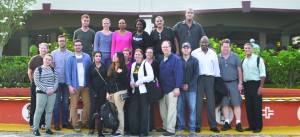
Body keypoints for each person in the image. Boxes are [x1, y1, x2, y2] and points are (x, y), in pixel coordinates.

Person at [191, 36, 220, 133]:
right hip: (199, 78)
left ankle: (212, 125)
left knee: (211, 102)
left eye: (205, 42)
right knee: (198, 102)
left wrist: (216, 80)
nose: (203, 44)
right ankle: (198, 125)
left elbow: (216, 68)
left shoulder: (213, 53)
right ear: (200, 43)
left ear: (208, 43)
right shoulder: (194, 53)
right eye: (202, 42)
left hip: (210, 78)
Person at [66, 39, 92, 132]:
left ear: (82, 46)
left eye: (79, 45)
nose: (78, 46)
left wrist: (89, 84)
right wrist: (69, 85)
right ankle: (76, 124)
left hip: (85, 86)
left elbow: (90, 71)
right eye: (76, 45)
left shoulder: (87, 57)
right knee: (74, 106)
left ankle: (84, 123)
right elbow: (67, 73)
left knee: (88, 104)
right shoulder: (70, 58)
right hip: (74, 86)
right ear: (74, 46)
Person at [218, 39, 244, 132]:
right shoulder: (217, 57)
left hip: (234, 83)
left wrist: (240, 83)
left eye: (227, 47)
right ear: (221, 47)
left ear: (230, 47)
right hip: (222, 84)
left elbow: (239, 70)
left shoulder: (235, 57)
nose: (226, 48)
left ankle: (238, 123)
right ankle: (227, 123)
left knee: (236, 103)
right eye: (224, 47)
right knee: (224, 104)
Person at [158, 40, 183, 136]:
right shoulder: (162, 59)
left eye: (166, 47)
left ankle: (171, 129)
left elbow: (179, 74)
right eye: (163, 47)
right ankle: (165, 126)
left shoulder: (176, 59)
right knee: (163, 110)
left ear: (170, 47)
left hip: (172, 88)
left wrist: (177, 87)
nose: (165, 48)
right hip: (163, 89)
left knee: (171, 110)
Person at [129, 49, 154, 136]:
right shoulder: (133, 64)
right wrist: (131, 83)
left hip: (143, 91)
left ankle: (143, 131)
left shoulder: (146, 64)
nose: (137, 56)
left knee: (144, 112)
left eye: (139, 54)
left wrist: (138, 82)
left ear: (142, 55)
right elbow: (131, 76)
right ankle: (134, 130)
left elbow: (151, 77)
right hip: (134, 91)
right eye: (135, 54)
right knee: (133, 111)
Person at [32, 54, 59, 136]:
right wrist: (46, 90)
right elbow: (37, 82)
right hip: (41, 93)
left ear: (51, 61)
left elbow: (56, 81)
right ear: (43, 60)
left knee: (49, 111)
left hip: (52, 93)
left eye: (49, 60)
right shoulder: (38, 69)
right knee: (39, 110)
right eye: (46, 59)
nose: (47, 61)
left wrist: (53, 89)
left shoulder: (53, 70)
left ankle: (48, 128)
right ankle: (35, 129)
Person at [242, 43, 266, 133]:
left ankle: (258, 127)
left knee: (257, 107)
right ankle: (251, 125)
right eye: (245, 48)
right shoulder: (243, 60)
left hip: (256, 85)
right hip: (247, 85)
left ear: (252, 49)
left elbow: (263, 74)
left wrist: (261, 87)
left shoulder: (258, 59)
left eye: (249, 48)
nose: (247, 49)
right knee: (249, 107)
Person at [51, 35, 73, 131]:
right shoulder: (53, 53)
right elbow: (51, 67)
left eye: (63, 41)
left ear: (66, 42)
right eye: (60, 41)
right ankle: (56, 123)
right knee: (56, 104)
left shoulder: (71, 54)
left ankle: (64, 122)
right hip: (57, 82)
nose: (62, 42)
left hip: (67, 82)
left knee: (65, 103)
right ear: (58, 42)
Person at [176, 42, 199, 134]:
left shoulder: (195, 61)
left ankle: (192, 127)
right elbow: (176, 73)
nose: (186, 49)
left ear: (190, 49)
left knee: (192, 109)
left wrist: (189, 85)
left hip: (192, 89)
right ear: (181, 49)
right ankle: (181, 126)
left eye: (187, 47)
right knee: (179, 109)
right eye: (184, 47)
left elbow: (196, 75)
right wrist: (180, 85)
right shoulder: (178, 60)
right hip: (180, 89)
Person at [106, 52, 129, 136]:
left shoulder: (124, 68)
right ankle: (113, 129)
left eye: (116, 56)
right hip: (111, 92)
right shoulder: (110, 67)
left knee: (119, 111)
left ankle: (120, 131)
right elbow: (107, 81)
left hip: (120, 91)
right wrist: (107, 92)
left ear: (120, 58)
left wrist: (121, 73)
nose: (114, 57)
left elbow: (125, 82)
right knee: (112, 111)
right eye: (114, 55)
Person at [86, 51, 107, 137]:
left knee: (101, 109)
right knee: (93, 109)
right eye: (96, 56)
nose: (98, 57)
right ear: (93, 57)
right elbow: (88, 80)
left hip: (102, 90)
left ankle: (100, 128)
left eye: (99, 56)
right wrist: (92, 91)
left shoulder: (105, 67)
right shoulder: (90, 67)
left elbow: (107, 79)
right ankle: (91, 127)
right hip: (93, 90)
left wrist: (106, 91)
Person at [27, 43, 48, 131]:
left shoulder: (49, 59)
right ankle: (32, 124)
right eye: (42, 48)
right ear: (39, 49)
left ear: (47, 49)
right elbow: (29, 71)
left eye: (45, 48)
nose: (43, 50)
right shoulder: (34, 59)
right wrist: (33, 81)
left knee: (44, 104)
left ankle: (42, 123)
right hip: (35, 85)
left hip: (46, 85)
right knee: (34, 104)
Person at [145, 47, 160, 132]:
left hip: (153, 87)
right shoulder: (142, 62)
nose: (149, 54)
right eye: (148, 52)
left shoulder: (156, 63)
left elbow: (158, 75)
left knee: (151, 107)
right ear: (145, 53)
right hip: (144, 86)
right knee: (145, 107)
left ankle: (151, 126)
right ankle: (145, 126)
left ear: (153, 54)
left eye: (151, 52)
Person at [122, 47, 132, 133]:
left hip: (129, 88)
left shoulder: (132, 64)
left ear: (129, 55)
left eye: (127, 54)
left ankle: (128, 127)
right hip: (121, 88)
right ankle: (122, 127)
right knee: (122, 108)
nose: (125, 55)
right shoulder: (120, 64)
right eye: (124, 54)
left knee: (128, 107)